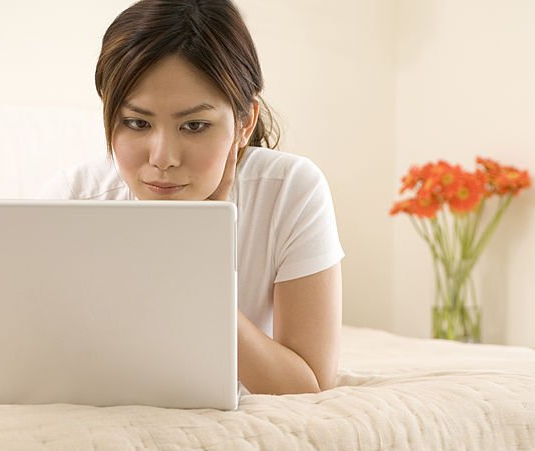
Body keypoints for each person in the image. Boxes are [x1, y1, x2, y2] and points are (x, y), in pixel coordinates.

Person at [40, 0, 345, 396]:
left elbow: (310, 385)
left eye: (195, 125)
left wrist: (199, 264)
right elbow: (2, 366)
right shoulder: (75, 200)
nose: (163, 157)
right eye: (137, 123)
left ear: (244, 122)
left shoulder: (289, 190)